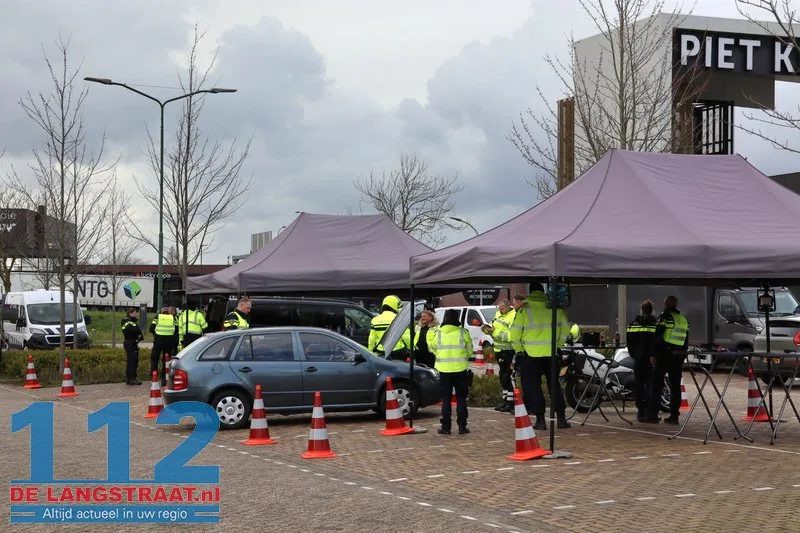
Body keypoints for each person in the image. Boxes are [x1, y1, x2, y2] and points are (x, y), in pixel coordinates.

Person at [510, 281, 571, 430]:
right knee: (554, 385)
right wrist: (558, 344)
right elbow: (565, 330)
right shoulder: (554, 307)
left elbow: (514, 335)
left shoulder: (524, 309)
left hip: (530, 355)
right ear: (543, 291)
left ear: (530, 292)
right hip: (551, 353)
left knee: (534, 387)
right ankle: (561, 419)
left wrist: (519, 350)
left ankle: (541, 420)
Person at [645, 295, 689, 425]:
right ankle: (674, 416)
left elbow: (657, 336)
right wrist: (683, 354)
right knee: (675, 387)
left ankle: (653, 415)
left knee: (657, 384)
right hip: (678, 356)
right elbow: (686, 340)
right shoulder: (683, 319)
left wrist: (653, 354)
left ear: (666, 304)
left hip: (664, 354)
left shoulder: (665, 317)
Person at [435, 309, 473, 435]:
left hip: (444, 370)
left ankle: (446, 427)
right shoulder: (463, 332)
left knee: (446, 399)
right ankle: (462, 426)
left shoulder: (439, 333)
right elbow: (470, 350)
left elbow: (433, 348)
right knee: (461, 398)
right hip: (460, 369)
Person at [626, 299, 658, 423]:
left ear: (641, 310)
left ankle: (640, 411)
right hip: (651, 360)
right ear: (651, 310)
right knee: (651, 386)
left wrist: (634, 355)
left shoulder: (632, 324)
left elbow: (629, 343)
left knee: (639, 385)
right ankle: (650, 412)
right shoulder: (655, 325)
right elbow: (657, 342)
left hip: (638, 360)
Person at [483, 299, 516, 413]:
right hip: (499, 350)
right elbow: (493, 326)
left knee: (509, 377)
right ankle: (506, 401)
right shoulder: (498, 314)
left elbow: (511, 336)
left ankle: (511, 403)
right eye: (499, 308)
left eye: (502, 309)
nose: (500, 311)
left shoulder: (513, 316)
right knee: (502, 377)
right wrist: (486, 330)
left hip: (509, 351)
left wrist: (494, 332)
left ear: (507, 307)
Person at [149, 307, 177, 382]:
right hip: (169, 341)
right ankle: (164, 378)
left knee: (154, 358)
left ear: (161, 311)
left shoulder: (158, 317)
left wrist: (156, 334)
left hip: (158, 340)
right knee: (166, 360)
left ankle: (154, 375)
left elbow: (151, 328)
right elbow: (176, 328)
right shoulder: (173, 318)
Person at [122, 308, 144, 385]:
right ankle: (132, 379)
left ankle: (129, 378)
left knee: (131, 361)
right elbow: (130, 331)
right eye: (135, 313)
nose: (136, 314)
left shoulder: (130, 322)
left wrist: (139, 336)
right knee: (133, 362)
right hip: (131, 343)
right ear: (130, 313)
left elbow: (139, 333)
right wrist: (136, 337)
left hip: (131, 343)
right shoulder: (128, 322)